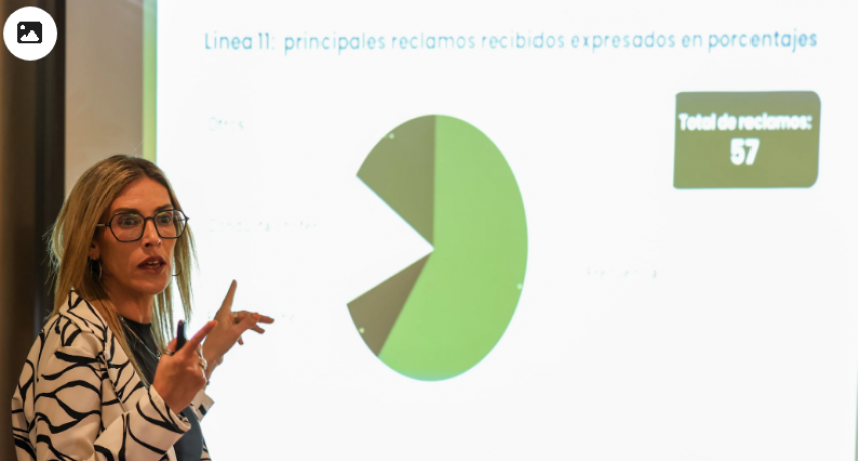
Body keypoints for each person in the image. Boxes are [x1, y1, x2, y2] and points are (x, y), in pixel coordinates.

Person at [10, 155, 273, 461]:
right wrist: (162, 405)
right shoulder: (74, 340)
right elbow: (151, 424)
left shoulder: (140, 337)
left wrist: (210, 355)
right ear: (92, 243)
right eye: (128, 221)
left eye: (164, 218)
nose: (153, 238)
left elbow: (165, 443)